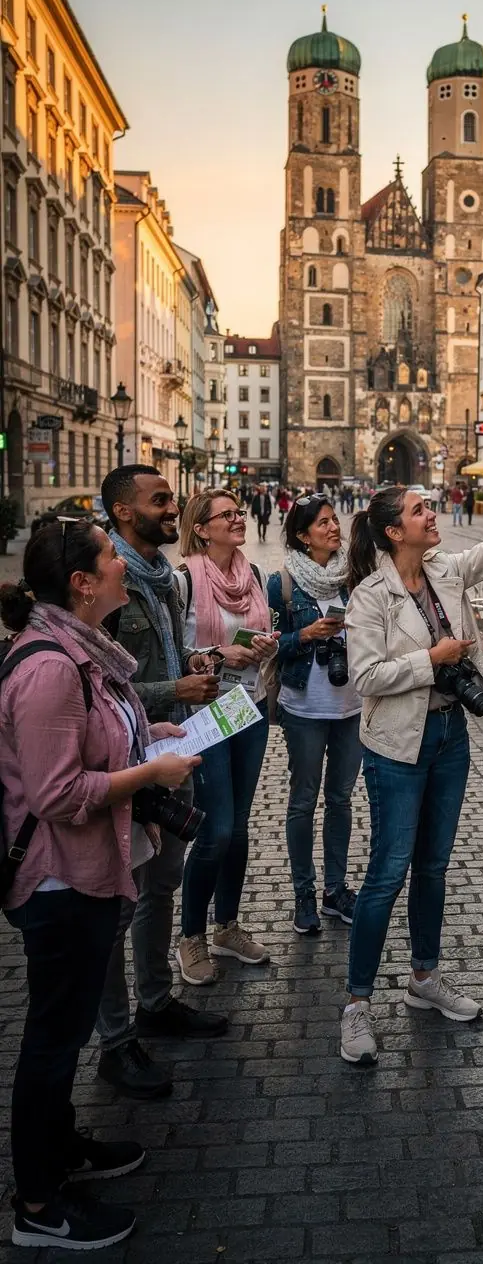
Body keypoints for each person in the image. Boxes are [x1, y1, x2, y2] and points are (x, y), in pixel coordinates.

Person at [0, 521, 200, 1250]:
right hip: (58, 880)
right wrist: (150, 774)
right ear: (83, 583)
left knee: (65, 1029)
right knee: (52, 1043)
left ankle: (61, 1151)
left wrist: (151, 734)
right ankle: (38, 1206)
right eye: (110, 556)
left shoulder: (81, 651)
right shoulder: (50, 665)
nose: (122, 562)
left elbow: (96, 732)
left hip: (84, 871)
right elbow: (56, 793)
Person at [338, 439, 483, 1065]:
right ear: (393, 531)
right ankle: (356, 1005)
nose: (431, 514)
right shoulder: (368, 598)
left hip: (448, 736)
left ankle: (423, 979)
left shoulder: (444, 570)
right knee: (387, 874)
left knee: (434, 867)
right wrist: (429, 660)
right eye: (419, 511)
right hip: (395, 746)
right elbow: (365, 679)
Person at [96, 466, 227, 1102]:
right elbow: (101, 693)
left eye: (171, 498)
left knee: (161, 884)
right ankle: (115, 1040)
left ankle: (154, 1001)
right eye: (160, 500)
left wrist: (191, 666)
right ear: (124, 513)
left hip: (175, 749)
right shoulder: (105, 582)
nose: (172, 507)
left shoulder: (164, 578)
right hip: (127, 761)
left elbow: (169, 655)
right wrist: (173, 689)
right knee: (118, 901)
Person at [174, 490, 278, 983]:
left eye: (240, 512)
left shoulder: (252, 576)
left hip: (249, 707)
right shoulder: (183, 582)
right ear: (201, 527)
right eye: (228, 515)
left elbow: (260, 630)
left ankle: (227, 926)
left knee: (238, 827)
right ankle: (190, 936)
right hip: (206, 713)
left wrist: (262, 646)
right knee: (214, 830)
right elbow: (172, 655)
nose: (239, 520)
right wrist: (219, 655)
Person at [268, 494, 363, 935]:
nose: (332, 527)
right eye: (322, 523)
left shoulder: (354, 579)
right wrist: (304, 634)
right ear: (304, 537)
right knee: (303, 801)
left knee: (341, 800)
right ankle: (304, 893)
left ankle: (336, 890)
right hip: (304, 707)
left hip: (351, 708)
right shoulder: (282, 584)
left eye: (333, 520)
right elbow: (268, 647)